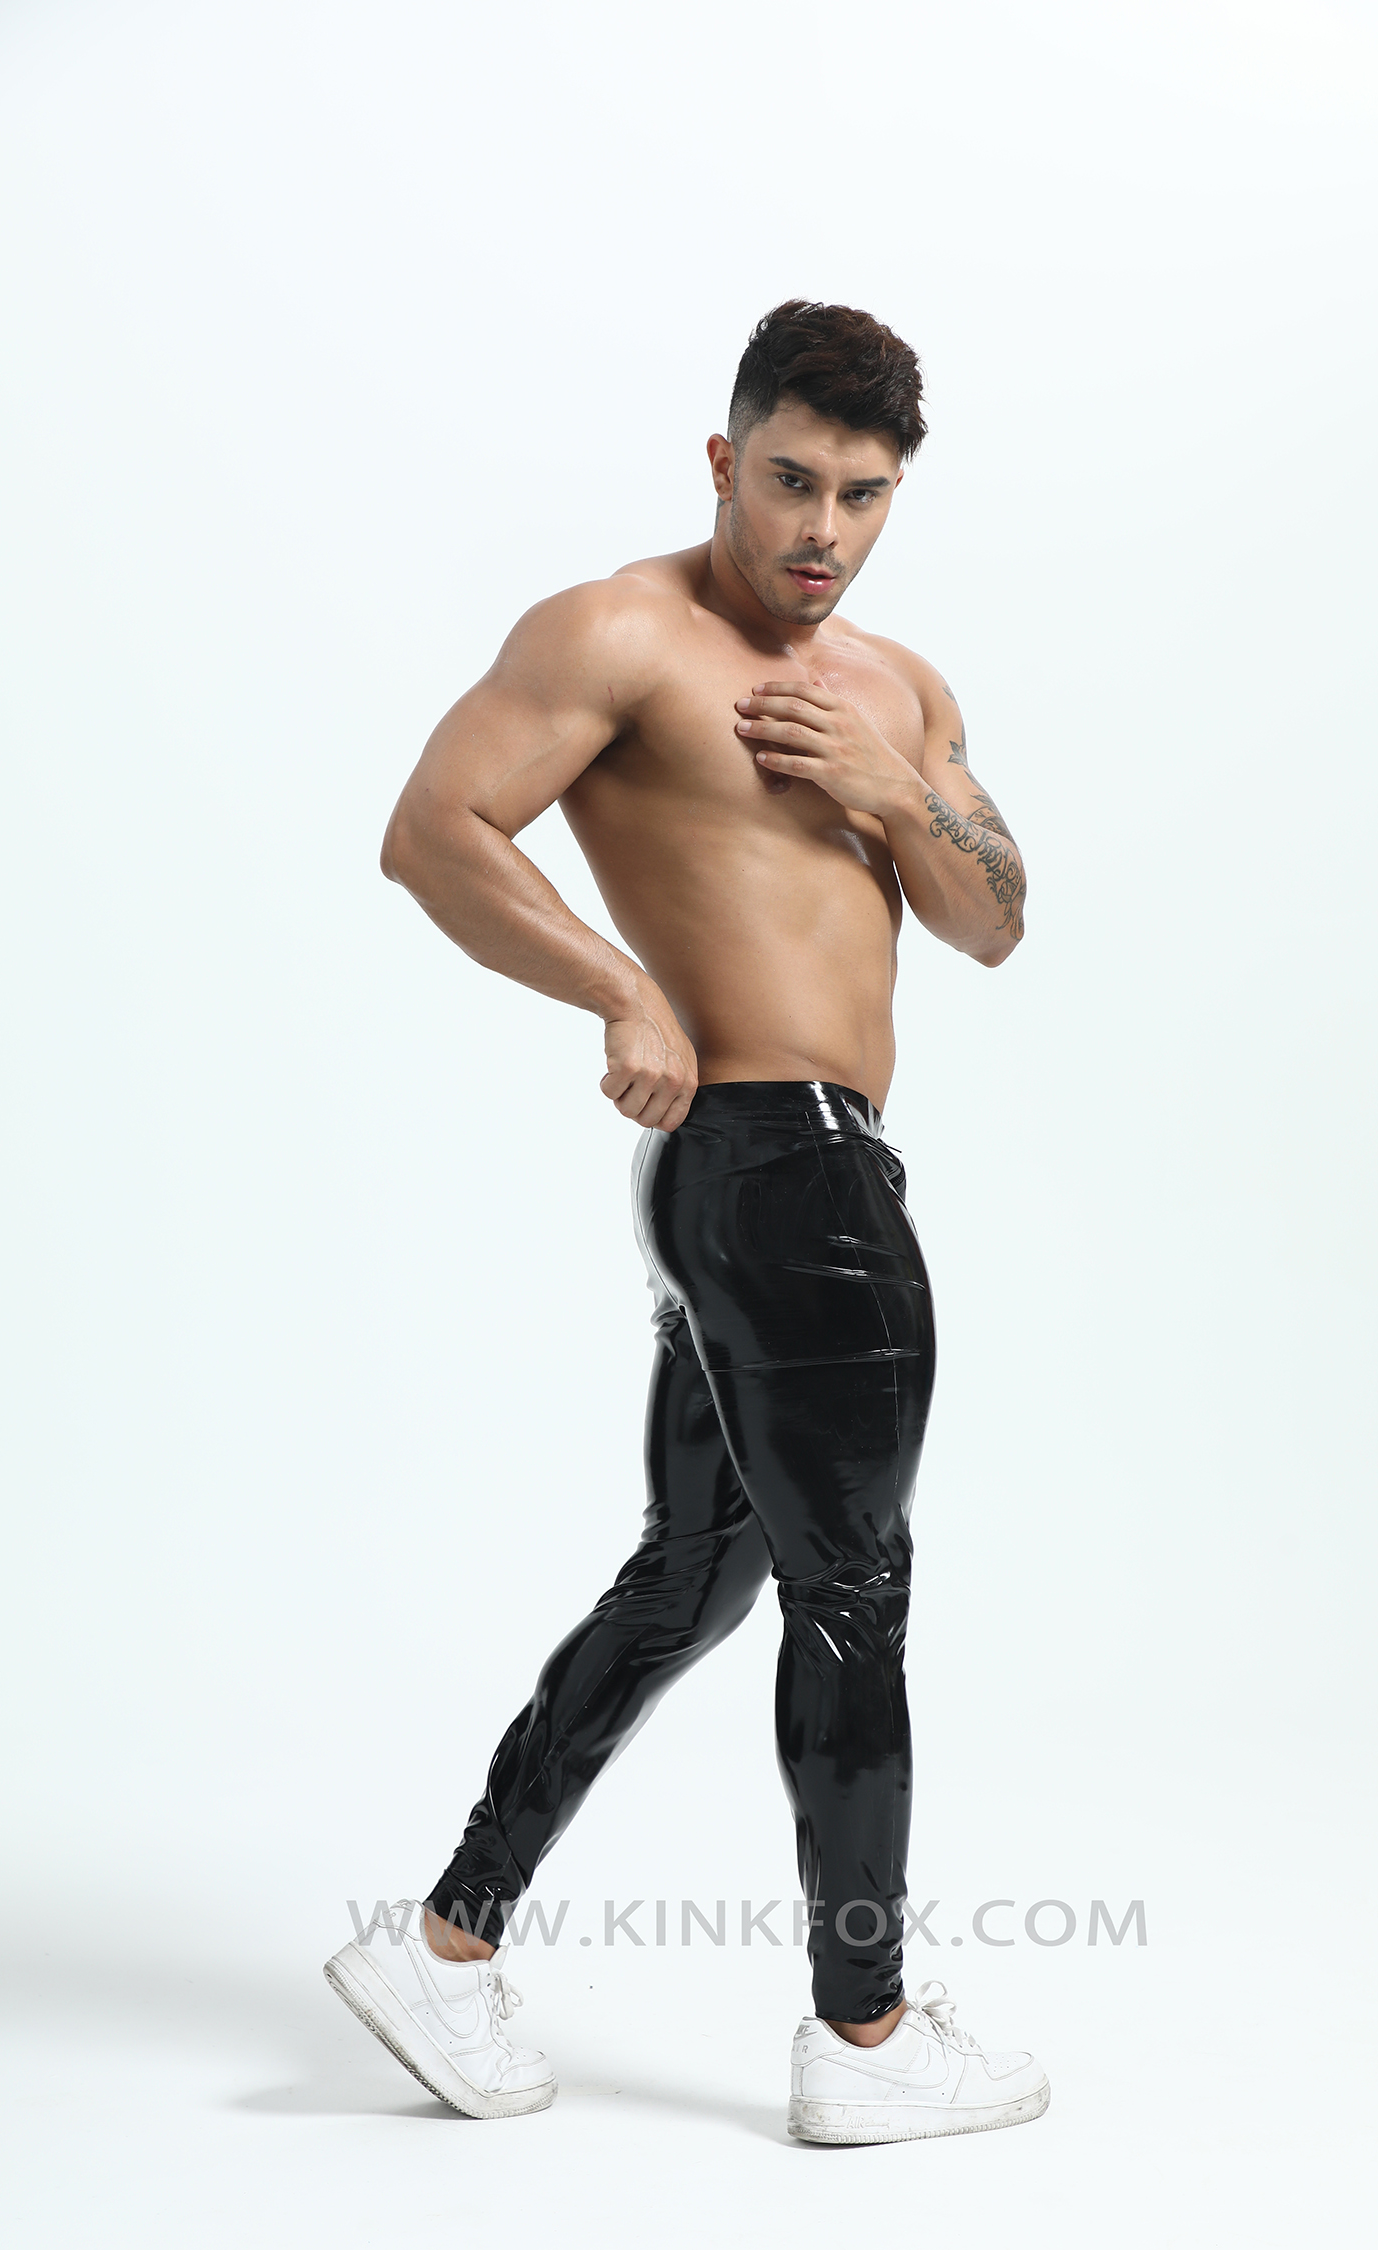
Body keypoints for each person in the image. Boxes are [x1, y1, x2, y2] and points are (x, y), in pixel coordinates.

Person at [324, 300, 1049, 2146]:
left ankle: (447, 1945)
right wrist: (621, 989)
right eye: (792, 480)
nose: (823, 527)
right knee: (853, 1593)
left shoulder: (901, 690)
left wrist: (894, 791)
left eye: (862, 495)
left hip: (790, 1172)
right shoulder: (620, 633)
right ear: (725, 459)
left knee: (695, 1577)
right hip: (774, 1171)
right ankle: (866, 2033)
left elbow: (994, 917)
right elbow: (435, 828)